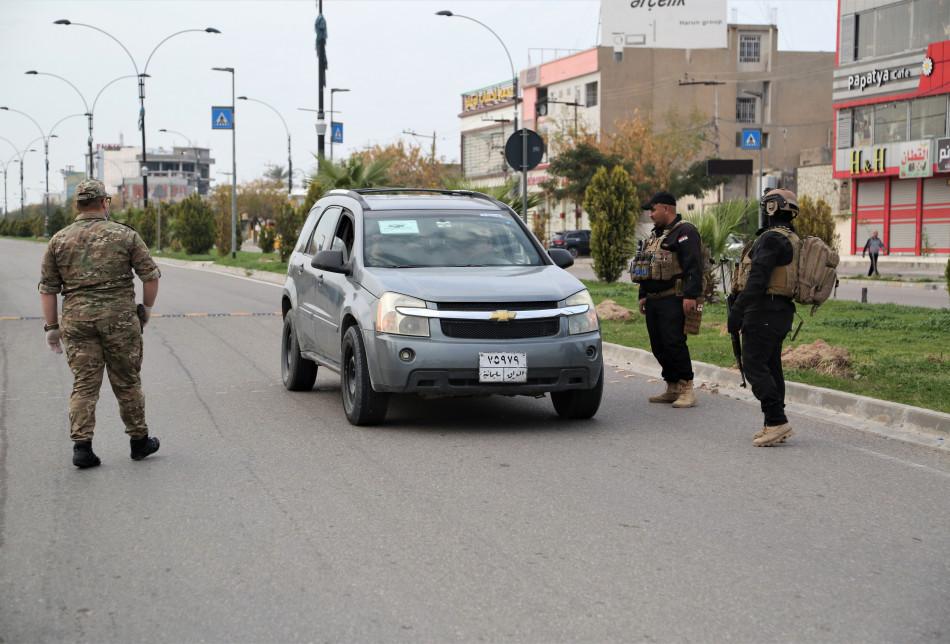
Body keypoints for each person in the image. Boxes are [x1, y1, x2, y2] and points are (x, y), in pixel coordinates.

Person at [39, 179, 162, 468]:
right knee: (127, 381)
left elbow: (48, 289)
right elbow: (150, 276)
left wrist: (51, 328)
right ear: (105, 203)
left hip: (77, 322)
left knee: (84, 384)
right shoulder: (125, 235)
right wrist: (147, 309)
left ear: (77, 205)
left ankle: (82, 448)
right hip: (119, 321)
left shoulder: (58, 240)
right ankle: (139, 442)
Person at [727, 188, 800, 447]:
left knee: (755, 367)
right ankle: (773, 423)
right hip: (781, 313)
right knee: (771, 367)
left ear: (772, 208)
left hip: (763, 311)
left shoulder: (770, 239)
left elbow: (757, 281)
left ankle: (777, 420)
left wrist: (737, 311)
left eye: (767, 205)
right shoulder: (790, 237)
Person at [633, 190, 704, 408]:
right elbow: (646, 266)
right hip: (654, 300)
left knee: (674, 342)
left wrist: (690, 295)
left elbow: (694, 266)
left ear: (666, 208)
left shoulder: (684, 232)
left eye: (653, 210)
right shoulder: (656, 235)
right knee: (658, 344)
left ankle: (687, 388)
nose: (651, 215)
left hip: (674, 297)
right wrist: (643, 294)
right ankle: (672, 386)